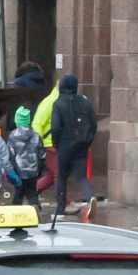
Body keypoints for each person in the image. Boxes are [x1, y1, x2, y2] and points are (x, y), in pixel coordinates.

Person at [49, 73, 99, 216]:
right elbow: (93, 124)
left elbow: (55, 127)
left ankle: (60, 208)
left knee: (62, 177)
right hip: (81, 145)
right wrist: (87, 141)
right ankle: (90, 198)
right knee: (82, 176)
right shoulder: (85, 102)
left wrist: (56, 143)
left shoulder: (58, 103)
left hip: (64, 145)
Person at [32, 82, 61, 200]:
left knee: (51, 176)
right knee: (58, 174)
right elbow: (37, 123)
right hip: (50, 144)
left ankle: (30, 193)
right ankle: (63, 202)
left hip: (55, 144)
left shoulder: (57, 100)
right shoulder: (50, 101)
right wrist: (39, 143)